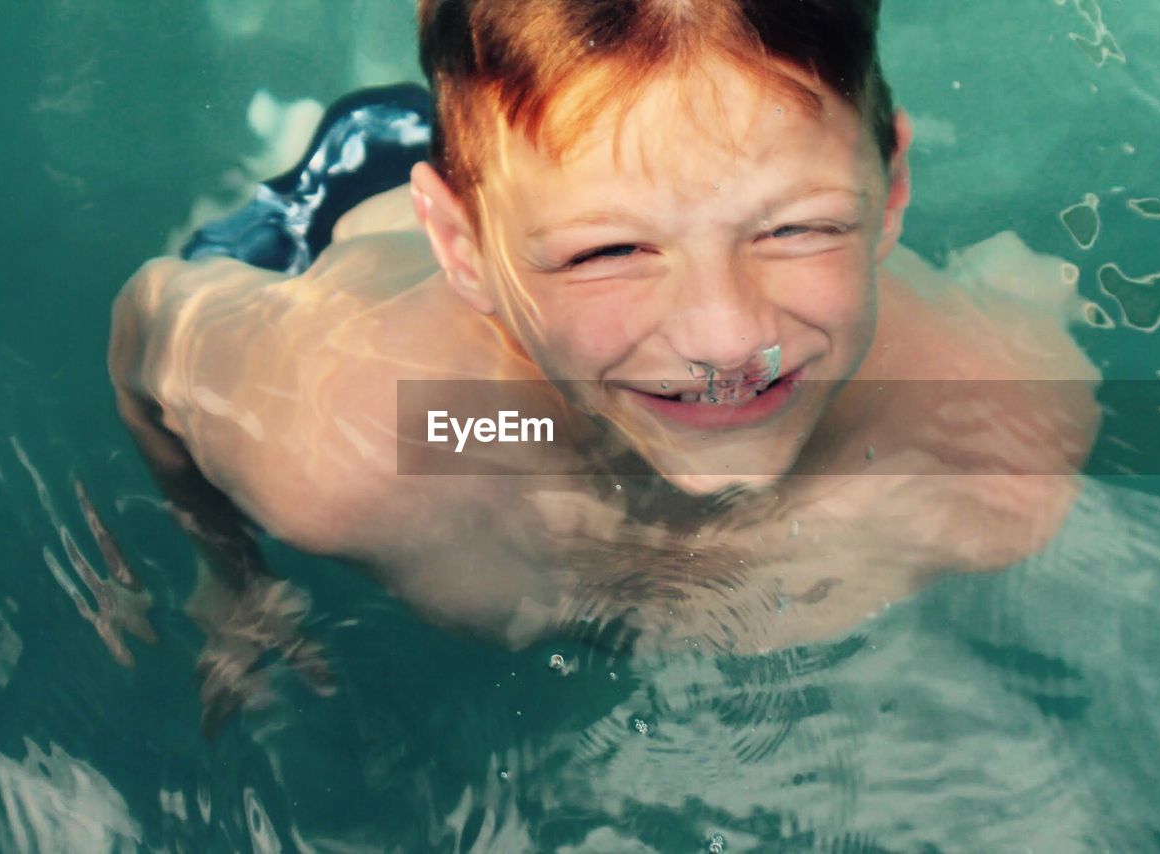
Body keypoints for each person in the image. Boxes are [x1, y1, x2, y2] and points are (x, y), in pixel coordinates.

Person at [109, 0, 1099, 707]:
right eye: (609, 253)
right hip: (348, 210)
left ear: (888, 197)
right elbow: (150, 324)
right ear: (466, 251)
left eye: (800, 230)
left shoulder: (993, 444)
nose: (724, 339)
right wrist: (229, 573)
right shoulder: (372, 437)